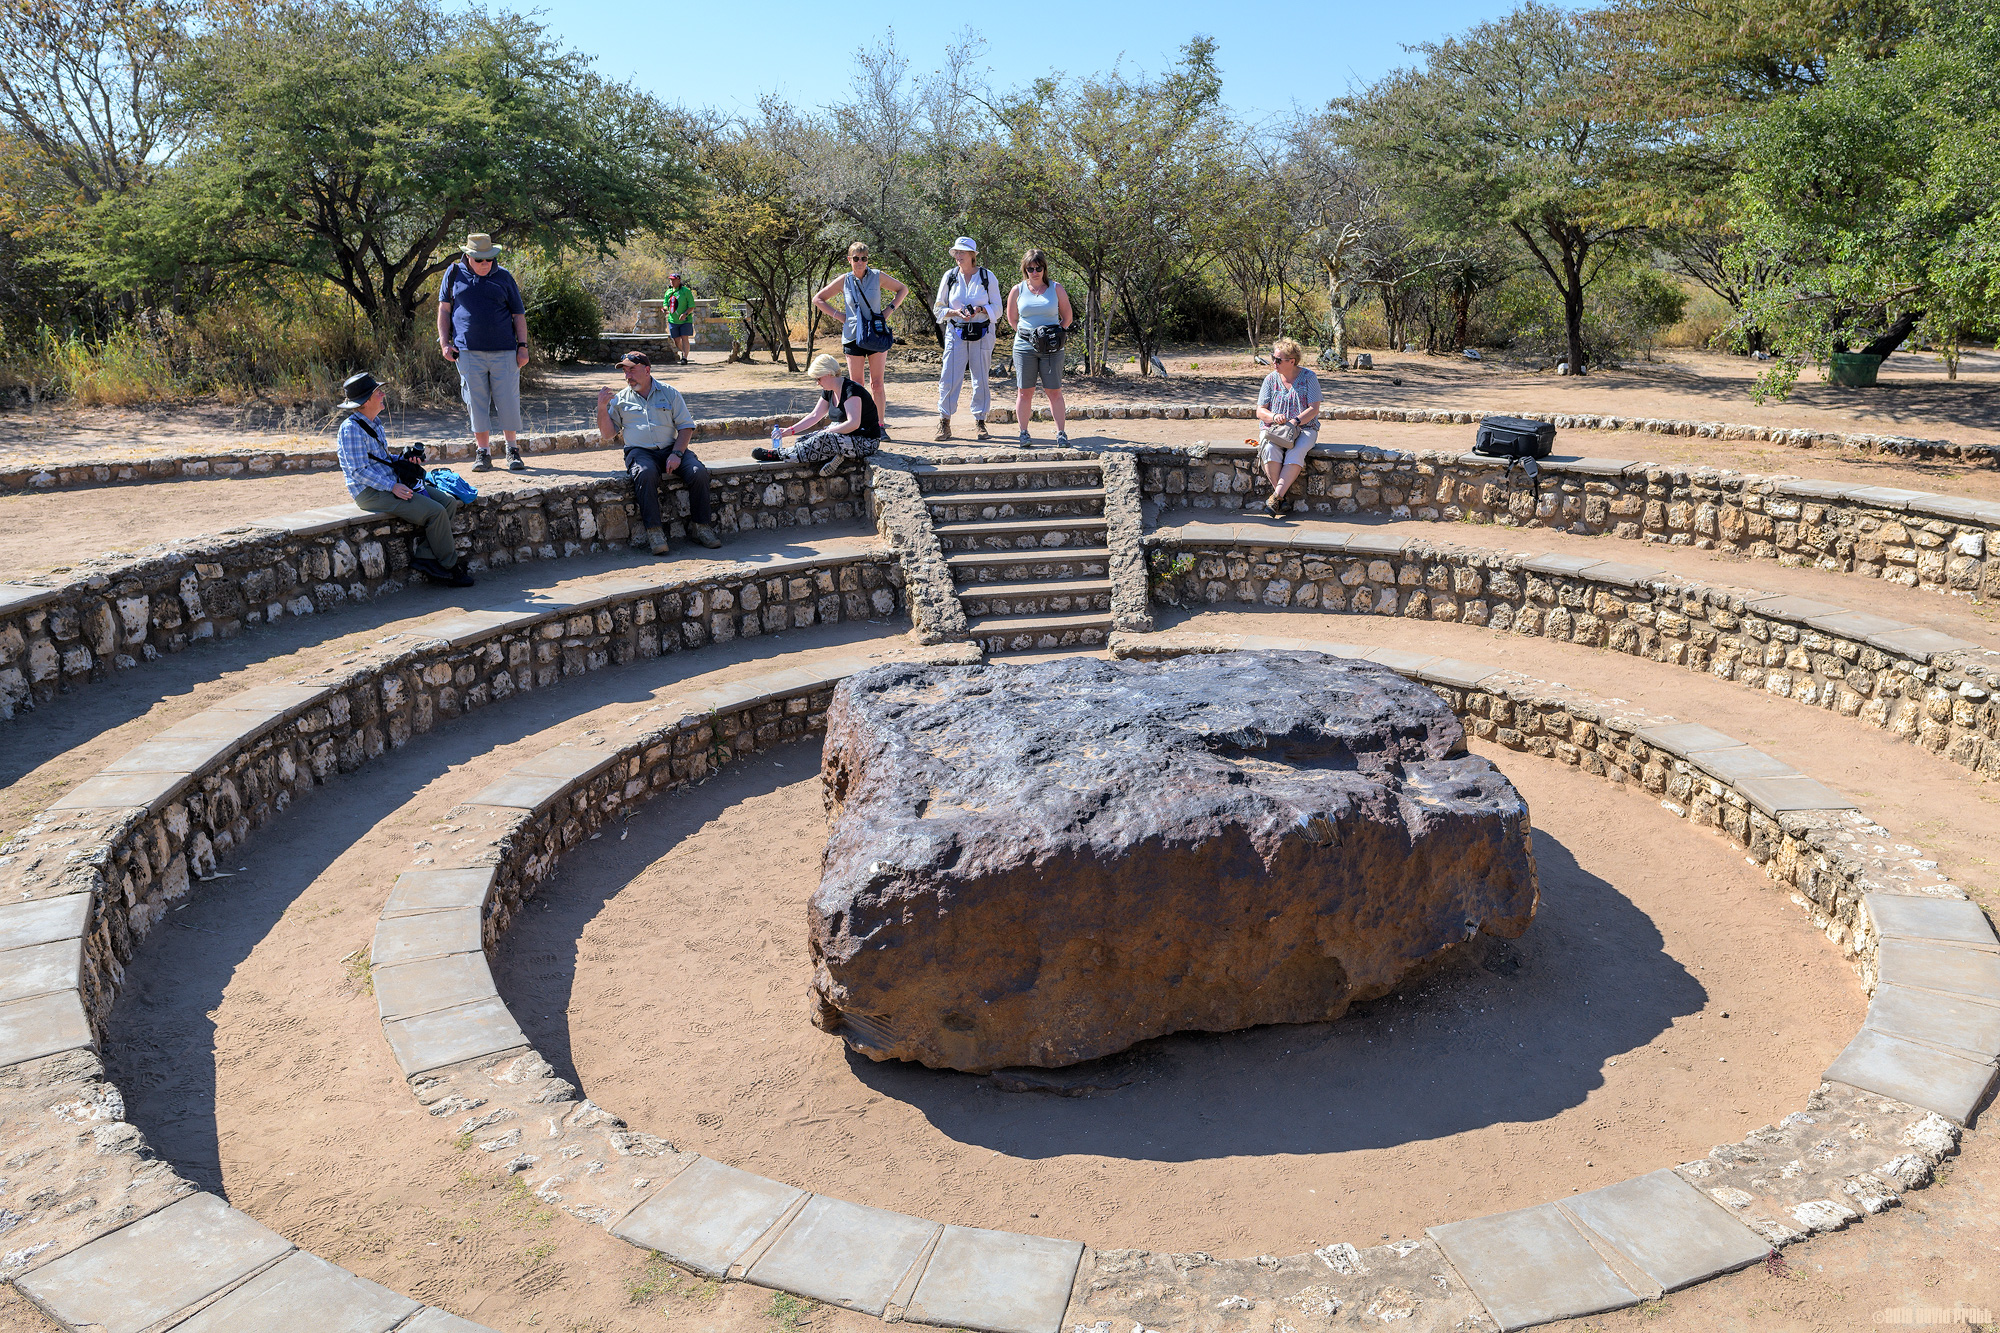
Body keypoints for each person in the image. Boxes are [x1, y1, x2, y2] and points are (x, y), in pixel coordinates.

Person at [335, 371, 472, 587]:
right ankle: (449, 566)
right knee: (435, 512)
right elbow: (358, 471)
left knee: (447, 502)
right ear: (365, 401)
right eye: (378, 392)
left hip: (389, 484)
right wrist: (393, 486)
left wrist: (405, 460)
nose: (383, 395)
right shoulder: (350, 430)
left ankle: (427, 557)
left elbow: (379, 459)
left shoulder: (374, 422)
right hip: (369, 493)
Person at [596, 352, 724, 557]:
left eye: (632, 370)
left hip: (670, 448)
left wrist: (676, 454)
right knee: (645, 473)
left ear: (647, 370)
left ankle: (701, 528)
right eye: (625, 371)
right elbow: (608, 434)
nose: (627, 375)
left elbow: (685, 427)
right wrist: (602, 408)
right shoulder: (619, 399)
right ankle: (654, 532)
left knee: (697, 471)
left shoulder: (669, 393)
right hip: (639, 452)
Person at [437, 231, 530, 473]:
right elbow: (444, 311)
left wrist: (523, 347)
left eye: (489, 259)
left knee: (508, 401)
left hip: (505, 351)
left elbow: (518, 315)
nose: (485, 264)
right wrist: (444, 343)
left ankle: (512, 450)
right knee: (476, 403)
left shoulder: (504, 277)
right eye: (479, 259)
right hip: (467, 351)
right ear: (467, 256)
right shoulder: (453, 273)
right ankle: (483, 453)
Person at [811, 242, 908, 435]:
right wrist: (839, 316)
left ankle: (880, 426)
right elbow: (818, 299)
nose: (860, 262)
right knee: (857, 384)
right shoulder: (844, 280)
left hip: (876, 336)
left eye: (864, 258)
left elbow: (902, 290)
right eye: (856, 258)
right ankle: (859, 425)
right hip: (853, 336)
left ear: (867, 260)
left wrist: (887, 311)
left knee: (877, 384)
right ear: (849, 260)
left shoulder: (877, 276)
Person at [753, 353, 884, 476]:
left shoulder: (851, 390)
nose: (817, 383)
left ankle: (777, 455)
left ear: (829, 373)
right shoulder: (829, 390)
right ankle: (838, 456)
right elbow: (815, 415)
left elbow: (853, 423)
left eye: (819, 378)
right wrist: (790, 430)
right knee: (804, 440)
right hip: (845, 437)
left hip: (866, 441)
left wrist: (828, 431)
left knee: (823, 438)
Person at [930, 237, 1001, 442]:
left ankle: (980, 421)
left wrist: (980, 309)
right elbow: (938, 307)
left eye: (962, 252)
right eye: (956, 252)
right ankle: (944, 421)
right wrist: (954, 312)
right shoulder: (950, 276)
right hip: (955, 332)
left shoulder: (988, 277)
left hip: (983, 333)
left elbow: (998, 308)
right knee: (949, 377)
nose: (958, 256)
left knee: (980, 378)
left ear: (973, 255)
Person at [1004, 248, 1074, 447]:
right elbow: (1012, 319)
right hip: (1024, 347)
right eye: (1030, 268)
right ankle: (1024, 433)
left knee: (1054, 391)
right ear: (1024, 269)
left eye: (1038, 268)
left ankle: (1061, 433)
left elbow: (1067, 318)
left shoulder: (1056, 288)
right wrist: (1031, 336)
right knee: (1025, 391)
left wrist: (1054, 336)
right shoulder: (1017, 290)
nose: (1034, 272)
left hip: (1051, 349)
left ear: (1044, 268)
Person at [1250, 337, 1323, 518]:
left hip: (1305, 428)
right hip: (1274, 428)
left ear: (1292, 361)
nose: (1273, 363)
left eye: (1278, 360)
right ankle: (1279, 498)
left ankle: (1276, 497)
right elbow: (1260, 411)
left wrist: (1295, 421)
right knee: (1268, 448)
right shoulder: (1270, 379)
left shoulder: (1309, 377)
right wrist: (1274, 416)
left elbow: (1314, 408)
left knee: (1296, 451)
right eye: (1273, 358)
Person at [663, 270, 696, 364]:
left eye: (673, 280)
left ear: (679, 280)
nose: (671, 282)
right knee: (676, 340)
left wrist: (685, 313)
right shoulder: (668, 292)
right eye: (670, 280)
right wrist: (665, 309)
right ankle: (683, 352)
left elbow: (692, 306)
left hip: (685, 320)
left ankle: (685, 357)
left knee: (684, 338)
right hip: (673, 320)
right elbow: (665, 303)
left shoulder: (686, 291)